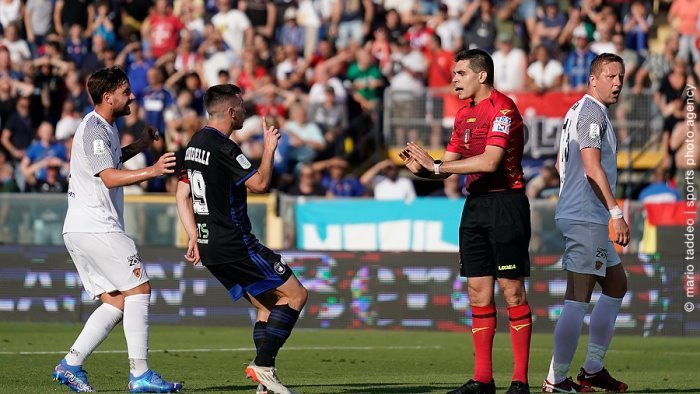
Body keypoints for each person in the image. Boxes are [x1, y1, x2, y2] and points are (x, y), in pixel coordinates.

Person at [401, 48, 531, 394]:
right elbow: (447, 168)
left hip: (506, 203)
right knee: (477, 291)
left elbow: (489, 162)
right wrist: (422, 171)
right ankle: (483, 380)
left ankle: (519, 381)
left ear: (481, 75)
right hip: (475, 206)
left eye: (460, 73)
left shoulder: (504, 109)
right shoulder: (463, 117)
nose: (453, 80)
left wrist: (437, 166)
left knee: (512, 290)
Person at [53, 66, 181, 393]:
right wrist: (152, 170)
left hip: (81, 228)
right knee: (139, 290)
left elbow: (111, 161)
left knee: (117, 302)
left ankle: (71, 364)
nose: (133, 96)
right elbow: (108, 176)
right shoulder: (95, 128)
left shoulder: (105, 128)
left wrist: (139, 145)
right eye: (126, 92)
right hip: (97, 226)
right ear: (108, 97)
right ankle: (140, 375)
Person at [175, 84, 308, 394]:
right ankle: (263, 365)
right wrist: (269, 148)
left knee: (266, 305)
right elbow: (260, 183)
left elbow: (182, 195)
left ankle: (264, 383)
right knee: (296, 296)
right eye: (242, 106)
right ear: (231, 112)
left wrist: (193, 235)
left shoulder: (194, 144)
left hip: (209, 247)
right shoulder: (224, 147)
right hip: (235, 242)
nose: (245, 111)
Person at [543, 53, 630, 393]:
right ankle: (556, 379)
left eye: (620, 76)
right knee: (577, 298)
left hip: (582, 212)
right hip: (587, 216)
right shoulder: (593, 112)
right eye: (611, 76)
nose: (618, 82)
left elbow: (560, 162)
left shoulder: (577, 110)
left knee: (616, 284)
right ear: (594, 79)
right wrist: (615, 212)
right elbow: (591, 167)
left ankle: (592, 369)